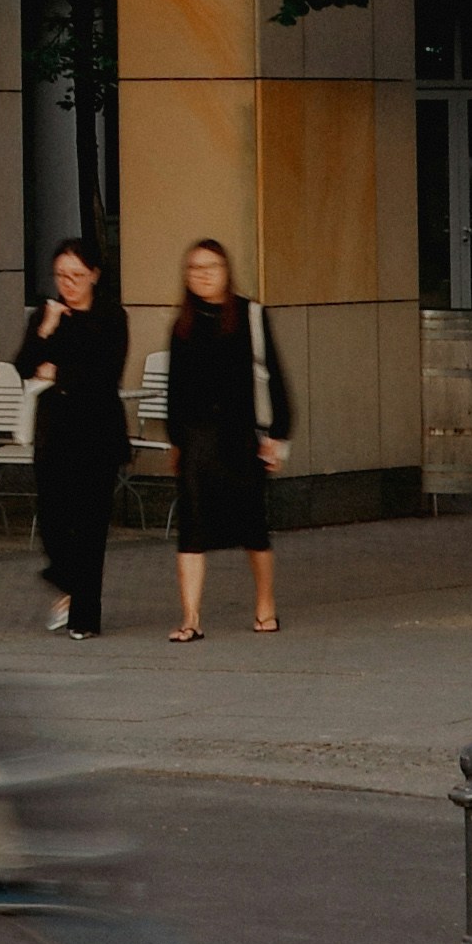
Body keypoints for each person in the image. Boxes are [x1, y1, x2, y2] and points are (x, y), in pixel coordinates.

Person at [162, 235, 292, 641]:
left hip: (241, 437)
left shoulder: (250, 315)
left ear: (226, 272)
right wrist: (176, 440)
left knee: (253, 528)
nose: (202, 275)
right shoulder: (182, 324)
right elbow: (174, 389)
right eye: (194, 268)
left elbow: (274, 376)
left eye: (210, 268)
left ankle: (265, 604)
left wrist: (277, 437)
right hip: (197, 438)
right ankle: (190, 618)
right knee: (191, 530)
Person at [17, 245, 131, 639]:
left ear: (94, 275)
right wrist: (46, 331)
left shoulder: (111, 316)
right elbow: (21, 365)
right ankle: (66, 580)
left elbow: (106, 372)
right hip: (54, 432)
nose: (68, 284)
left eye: (76, 276)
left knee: (90, 526)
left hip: (97, 431)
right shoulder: (46, 315)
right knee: (52, 519)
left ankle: (85, 616)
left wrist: (57, 372)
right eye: (61, 276)